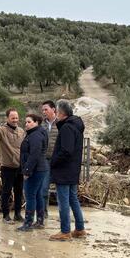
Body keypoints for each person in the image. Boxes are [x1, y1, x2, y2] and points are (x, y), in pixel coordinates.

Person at [49, 99, 87, 241]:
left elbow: (66, 151)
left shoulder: (66, 128)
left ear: (60, 112)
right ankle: (80, 229)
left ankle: (65, 231)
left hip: (65, 171)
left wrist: (53, 162)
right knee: (73, 199)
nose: (55, 114)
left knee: (63, 201)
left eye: (56, 111)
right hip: (72, 170)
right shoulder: (75, 126)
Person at [17, 113, 49, 231]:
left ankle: (28, 223)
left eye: (29, 122)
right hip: (40, 169)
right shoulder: (38, 133)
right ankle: (40, 221)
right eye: (25, 122)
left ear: (36, 122)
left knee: (30, 196)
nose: (26, 124)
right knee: (38, 195)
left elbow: (34, 155)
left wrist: (26, 171)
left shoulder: (35, 135)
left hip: (35, 170)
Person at [37, 100, 59, 223]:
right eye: (43, 110)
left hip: (58, 161)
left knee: (62, 188)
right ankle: (43, 213)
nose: (44, 112)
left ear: (53, 109)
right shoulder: (41, 125)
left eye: (46, 109)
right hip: (44, 160)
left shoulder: (61, 123)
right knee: (43, 188)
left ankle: (63, 213)